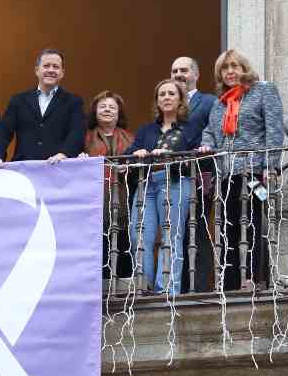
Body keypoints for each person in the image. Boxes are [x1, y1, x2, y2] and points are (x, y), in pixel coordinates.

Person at [197, 49, 284, 292]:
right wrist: (207, 144)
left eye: (234, 66)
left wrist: (270, 166)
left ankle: (254, 278)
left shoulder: (263, 90)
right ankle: (231, 283)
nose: (230, 72)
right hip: (227, 175)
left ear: (244, 68)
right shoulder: (220, 103)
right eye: (224, 68)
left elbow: (275, 130)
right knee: (228, 228)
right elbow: (210, 132)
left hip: (254, 173)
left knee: (253, 223)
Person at [125, 79, 199, 295]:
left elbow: (197, 157)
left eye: (171, 94)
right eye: (162, 94)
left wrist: (170, 156)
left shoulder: (190, 128)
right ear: (157, 101)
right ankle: (143, 286)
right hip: (146, 184)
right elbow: (130, 152)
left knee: (171, 236)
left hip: (174, 181)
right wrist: (136, 153)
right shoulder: (146, 130)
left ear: (180, 100)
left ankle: (166, 290)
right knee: (139, 236)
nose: (166, 97)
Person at [0, 49, 85, 166]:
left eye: (56, 67)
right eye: (46, 66)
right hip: (24, 167)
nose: (51, 70)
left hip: (57, 167)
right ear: (37, 70)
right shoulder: (18, 100)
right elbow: (3, 132)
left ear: (62, 72)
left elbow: (77, 133)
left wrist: (64, 154)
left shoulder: (74, 102)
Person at [172, 56, 218, 293]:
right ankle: (178, 285)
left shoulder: (209, 101)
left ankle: (198, 286)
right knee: (177, 230)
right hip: (174, 177)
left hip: (201, 174)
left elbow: (216, 132)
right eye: (174, 71)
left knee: (197, 226)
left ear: (196, 75)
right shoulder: (168, 102)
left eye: (184, 70)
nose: (178, 74)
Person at [79, 91, 135, 279]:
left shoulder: (131, 138)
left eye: (112, 107)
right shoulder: (84, 138)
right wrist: (80, 159)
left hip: (123, 198)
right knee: (98, 244)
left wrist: (129, 168)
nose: (107, 110)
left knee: (124, 242)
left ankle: (123, 285)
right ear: (95, 111)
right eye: (103, 106)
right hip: (96, 199)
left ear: (119, 113)